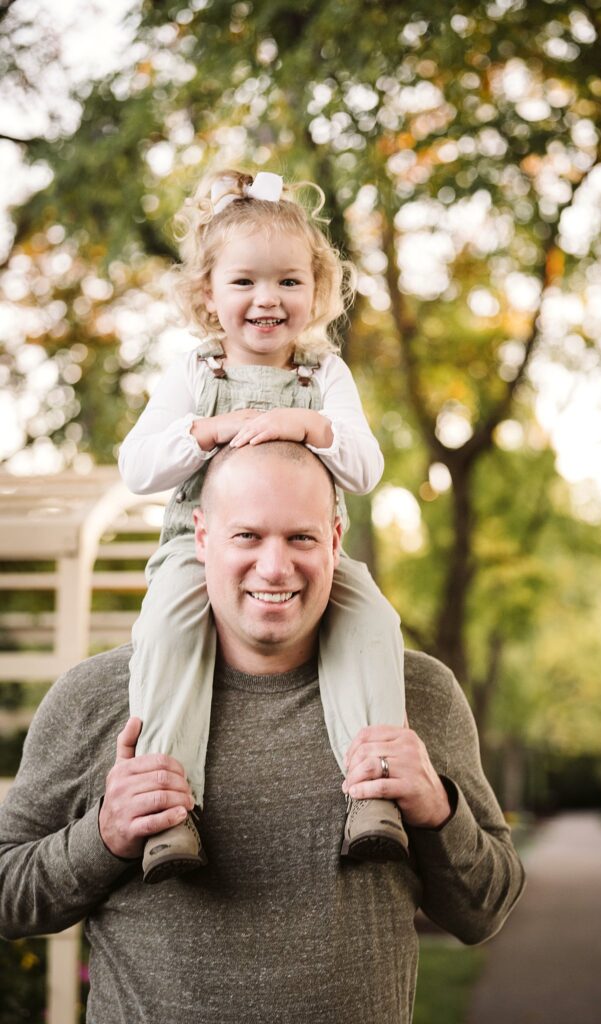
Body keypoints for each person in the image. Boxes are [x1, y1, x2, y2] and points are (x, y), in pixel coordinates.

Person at [0, 441, 525, 1023]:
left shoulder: (418, 694)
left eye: (300, 537)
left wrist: (437, 811)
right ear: (200, 537)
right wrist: (102, 836)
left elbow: (486, 910)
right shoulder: (96, 697)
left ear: (335, 539)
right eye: (247, 535)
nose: (274, 567)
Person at [117, 168, 409, 882]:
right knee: (165, 632)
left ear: (315, 293)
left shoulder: (323, 377)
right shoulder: (195, 373)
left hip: (312, 558)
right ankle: (169, 810)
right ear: (208, 296)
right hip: (201, 552)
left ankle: (374, 793)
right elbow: (137, 467)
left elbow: (365, 470)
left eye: (287, 282)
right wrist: (211, 432)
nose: (266, 299)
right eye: (244, 282)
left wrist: (306, 425)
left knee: (373, 622)